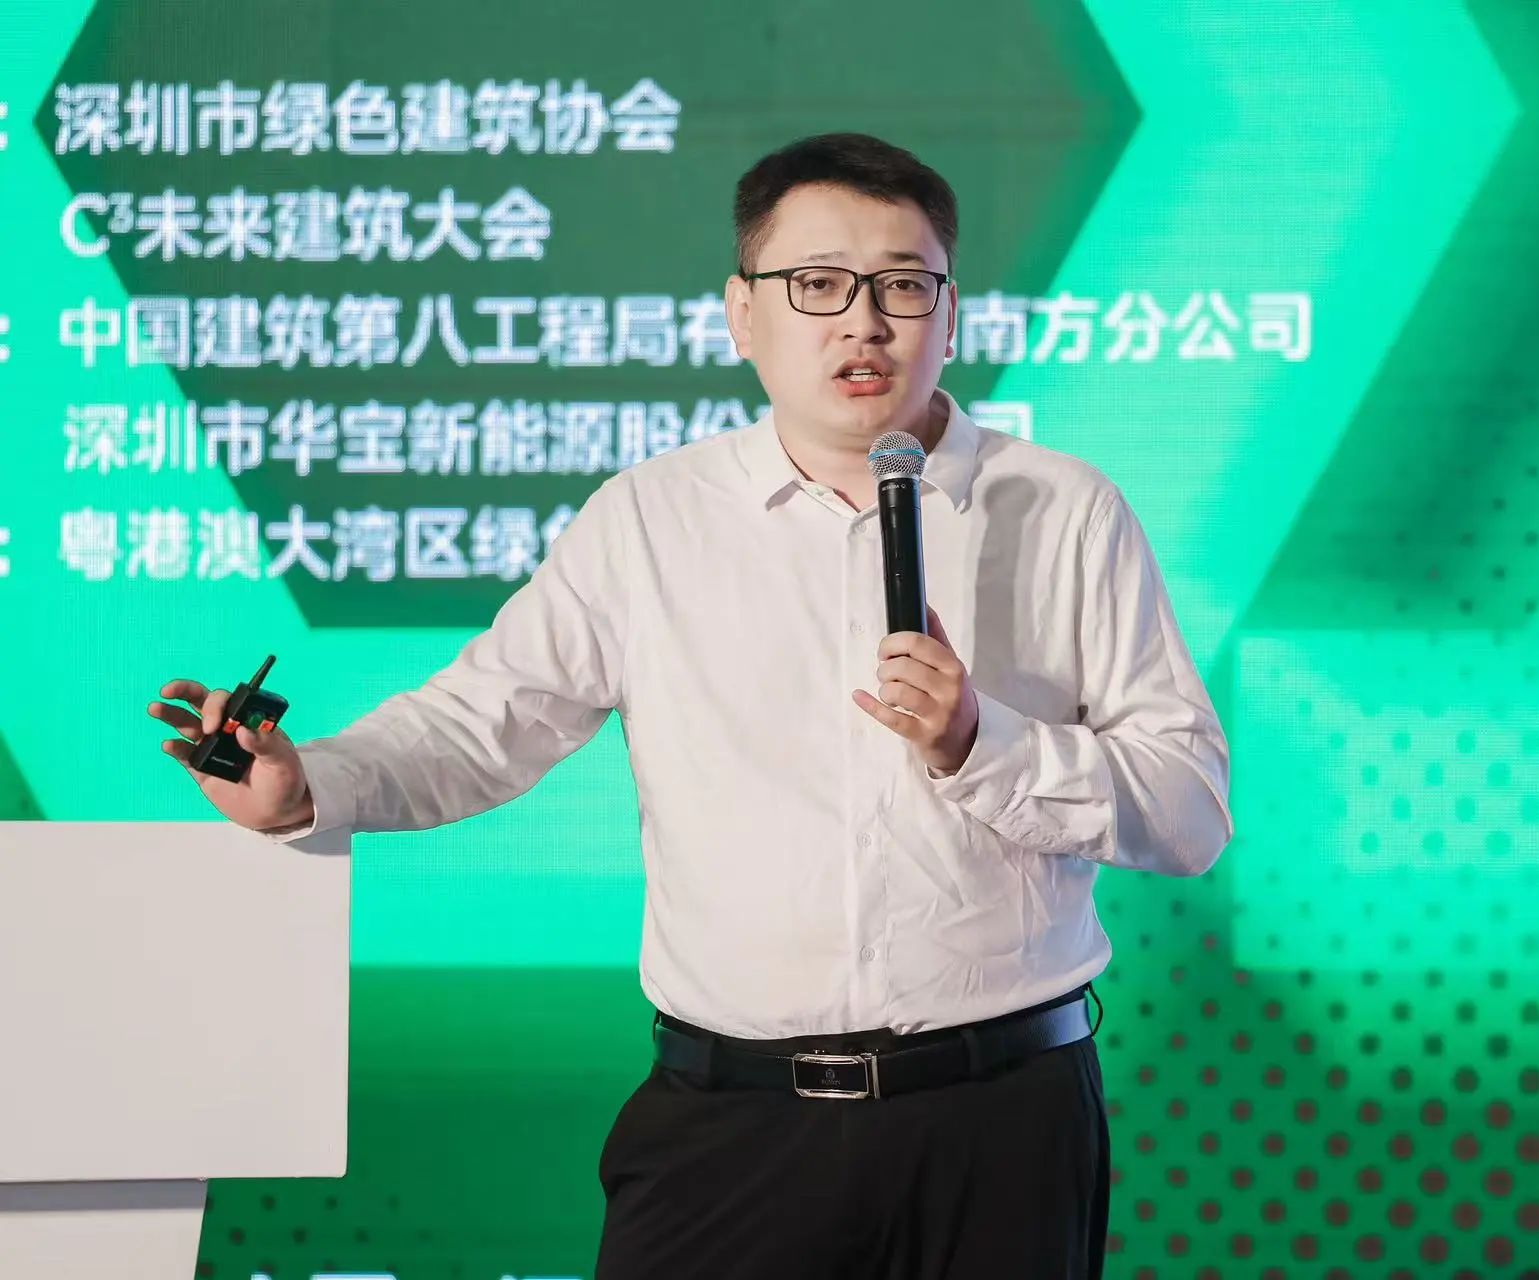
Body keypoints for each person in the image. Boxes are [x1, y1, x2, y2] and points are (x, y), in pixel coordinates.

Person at [148, 132, 1232, 1279]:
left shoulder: (1063, 510)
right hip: (733, 1122)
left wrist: (981, 741)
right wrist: (309, 783)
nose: (865, 323)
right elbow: (483, 723)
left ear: (951, 313)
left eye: (904, 285)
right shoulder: (651, 520)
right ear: (741, 313)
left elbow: (1190, 811)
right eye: (818, 284)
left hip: (1000, 1123)